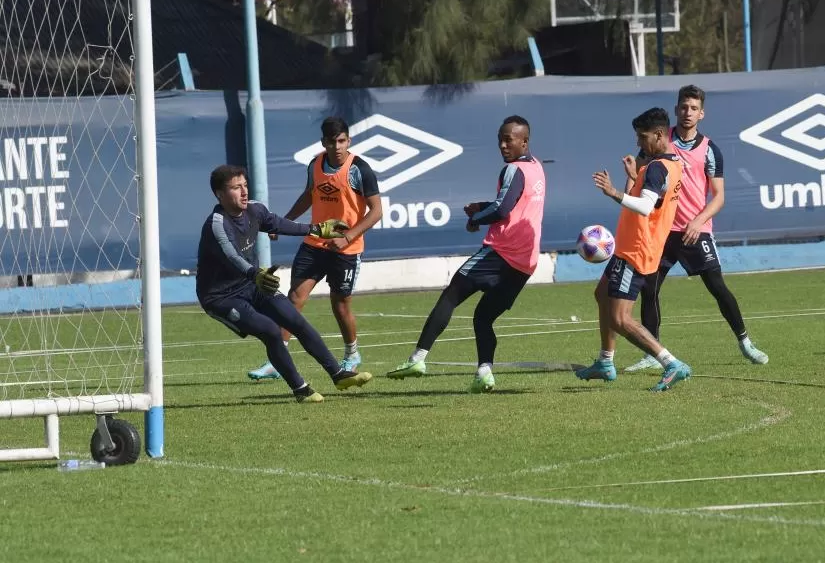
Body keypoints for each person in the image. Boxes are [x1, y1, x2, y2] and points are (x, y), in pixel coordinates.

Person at [384, 115, 545, 393]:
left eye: (509, 139)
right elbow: (515, 204)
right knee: (483, 317)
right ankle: (484, 373)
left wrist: (477, 219)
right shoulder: (537, 168)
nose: (503, 145)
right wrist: (483, 207)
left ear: (524, 141)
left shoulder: (513, 170)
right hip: (525, 263)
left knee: (452, 293)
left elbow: (502, 210)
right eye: (500, 139)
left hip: (501, 252)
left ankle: (417, 359)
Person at [197, 164, 373, 402]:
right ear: (219, 194)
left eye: (245, 185)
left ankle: (338, 374)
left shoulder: (255, 210)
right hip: (220, 297)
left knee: (294, 319)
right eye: (236, 188)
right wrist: (255, 274)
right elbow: (232, 256)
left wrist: (318, 229)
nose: (244, 191)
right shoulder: (216, 224)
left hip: (251, 284)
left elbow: (278, 224)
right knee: (270, 331)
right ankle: (301, 390)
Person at [625, 85, 769, 373]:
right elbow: (638, 182)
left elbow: (719, 196)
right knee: (649, 289)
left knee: (717, 286)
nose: (687, 112)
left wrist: (698, 221)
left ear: (701, 113)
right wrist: (630, 178)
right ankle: (653, 354)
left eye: (693, 108)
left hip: (695, 229)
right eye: (683, 107)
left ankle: (745, 342)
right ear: (676, 110)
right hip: (662, 231)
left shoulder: (710, 150)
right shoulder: (658, 142)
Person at [248, 117, 383, 381]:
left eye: (342, 141)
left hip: (347, 248)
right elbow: (309, 195)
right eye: (332, 142)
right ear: (324, 142)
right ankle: (278, 359)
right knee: (294, 298)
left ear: (349, 140)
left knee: (340, 305)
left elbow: (376, 210)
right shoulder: (315, 165)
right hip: (314, 243)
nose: (338, 147)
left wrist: (349, 236)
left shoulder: (360, 170)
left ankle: (352, 353)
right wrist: (283, 222)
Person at [575, 107, 692, 392]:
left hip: (636, 250)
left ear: (659, 134)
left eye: (642, 138)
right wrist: (634, 176)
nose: (639, 143)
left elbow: (644, 206)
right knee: (602, 294)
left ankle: (671, 363)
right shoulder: (671, 162)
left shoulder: (656, 167)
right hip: (633, 246)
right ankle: (605, 362)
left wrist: (614, 191)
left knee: (620, 318)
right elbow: (653, 199)